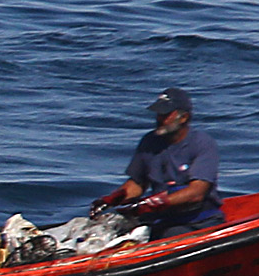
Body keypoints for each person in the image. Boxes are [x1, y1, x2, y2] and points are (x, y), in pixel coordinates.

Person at [96, 87, 223, 234]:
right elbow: (137, 184)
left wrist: (149, 204)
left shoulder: (202, 143)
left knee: (167, 235)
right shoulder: (149, 142)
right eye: (158, 114)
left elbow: (196, 193)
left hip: (197, 222)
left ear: (183, 117)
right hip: (161, 218)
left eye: (166, 115)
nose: (159, 119)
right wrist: (110, 200)